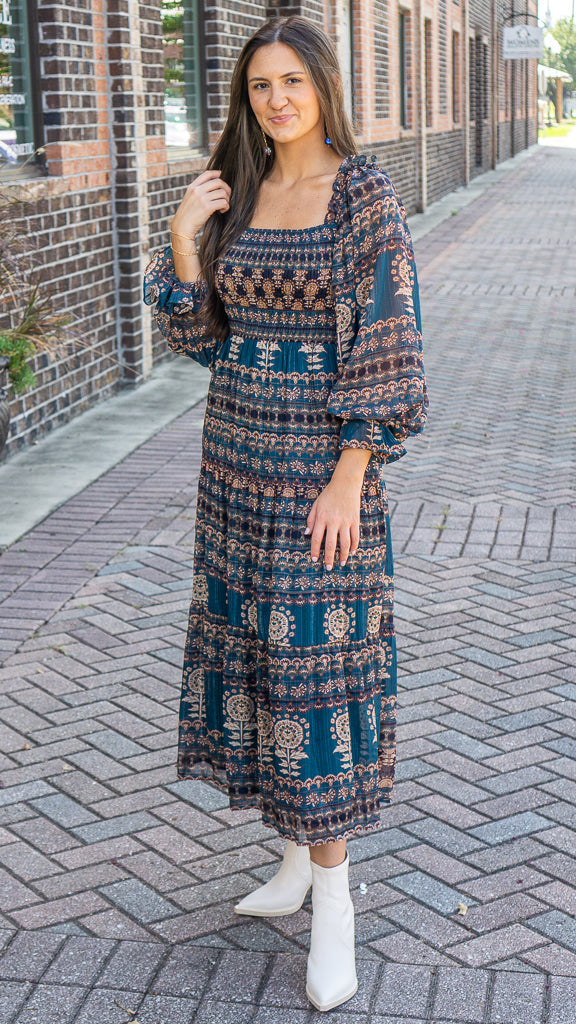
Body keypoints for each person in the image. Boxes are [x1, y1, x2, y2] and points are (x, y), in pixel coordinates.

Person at [143, 14, 427, 1012]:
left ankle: (335, 902)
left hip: (319, 486)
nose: (276, 100)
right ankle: (296, 862)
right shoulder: (242, 186)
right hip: (234, 473)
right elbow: (203, 341)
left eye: (292, 82)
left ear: (323, 87)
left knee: (318, 679)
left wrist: (351, 476)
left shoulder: (363, 196)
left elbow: (391, 345)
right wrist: (183, 242)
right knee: (264, 666)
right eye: (260, 85)